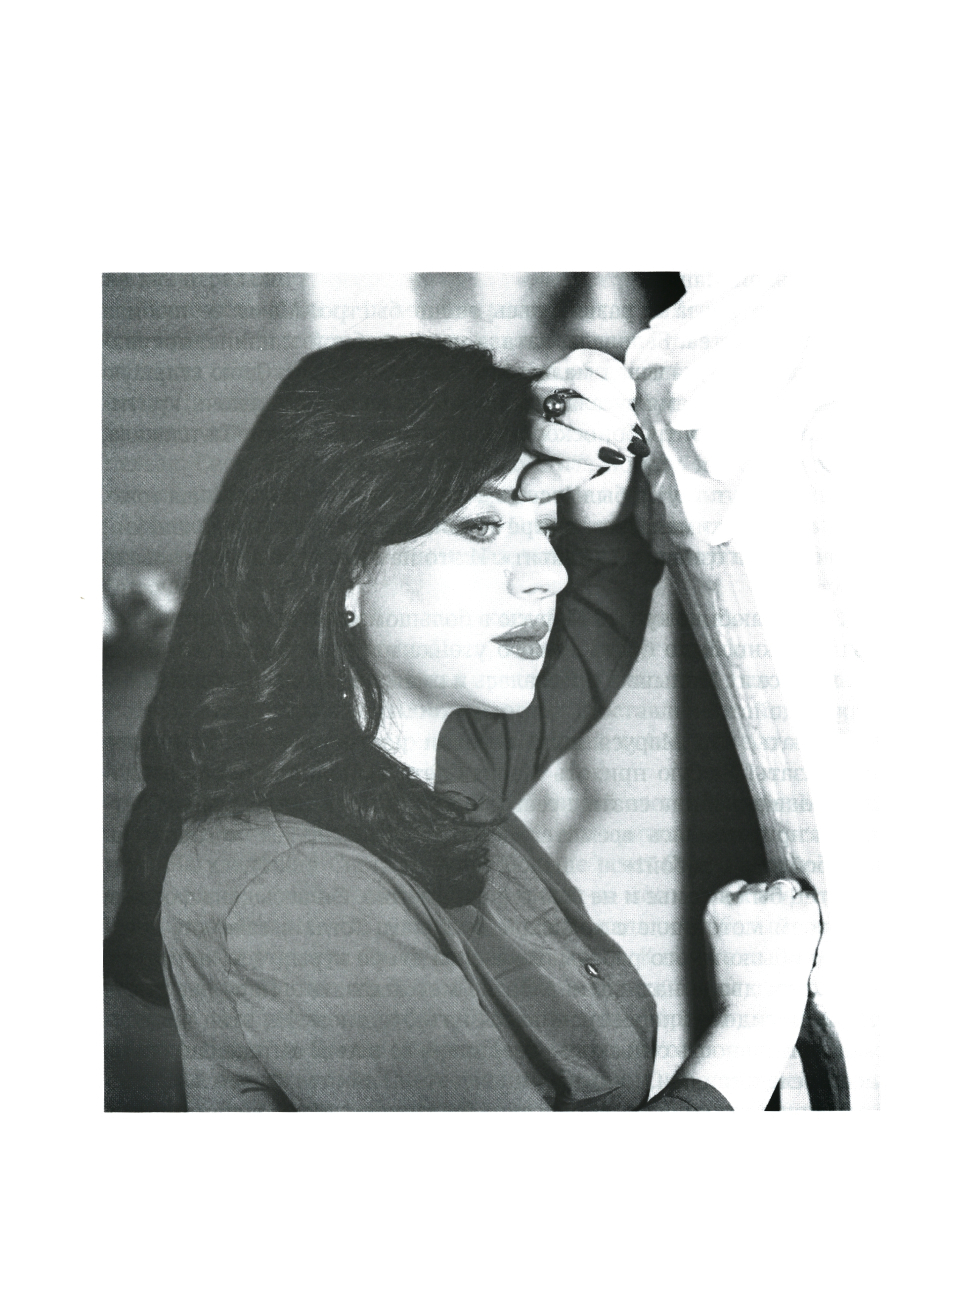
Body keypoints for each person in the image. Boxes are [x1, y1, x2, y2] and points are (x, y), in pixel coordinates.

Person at [105, 336, 821, 1111]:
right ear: (341, 565)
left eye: (544, 527)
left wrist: (591, 471)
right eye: (481, 526)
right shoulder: (294, 888)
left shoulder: (423, 764)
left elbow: (594, 620)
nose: (549, 573)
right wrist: (757, 1016)